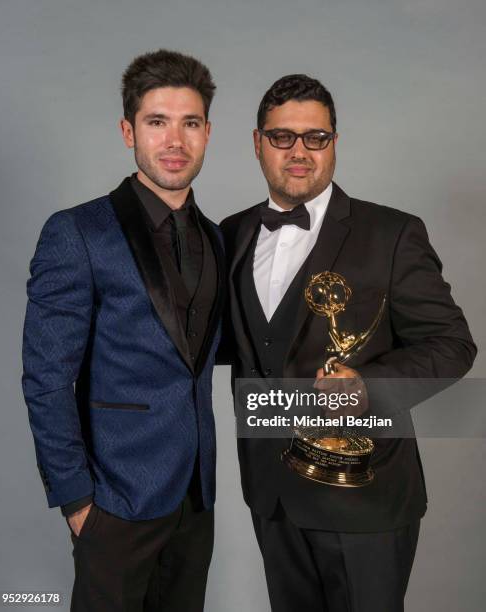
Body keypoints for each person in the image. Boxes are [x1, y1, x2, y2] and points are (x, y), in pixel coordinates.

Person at [218, 74, 476, 611]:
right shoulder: (232, 233)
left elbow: (453, 344)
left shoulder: (392, 233)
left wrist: (368, 386)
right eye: (282, 137)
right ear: (257, 143)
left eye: (316, 137)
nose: (299, 152)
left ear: (334, 142)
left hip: (366, 499)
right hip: (271, 493)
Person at [22, 49, 225, 612]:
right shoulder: (77, 233)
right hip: (113, 500)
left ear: (207, 132)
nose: (174, 141)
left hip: (195, 499)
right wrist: (77, 501)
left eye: (189, 123)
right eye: (156, 122)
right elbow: (45, 378)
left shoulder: (217, 238)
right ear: (127, 130)